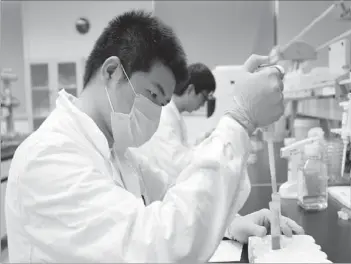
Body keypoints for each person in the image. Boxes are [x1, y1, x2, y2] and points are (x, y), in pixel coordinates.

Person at [5, 10, 302, 263]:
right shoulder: (49, 158)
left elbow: (174, 195)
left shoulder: (117, 153)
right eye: (152, 94)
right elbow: (157, 243)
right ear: (112, 71)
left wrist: (230, 223)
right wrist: (239, 120)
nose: (156, 115)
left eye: (162, 103)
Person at [136, 62, 300, 245]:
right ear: (191, 90)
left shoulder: (169, 120)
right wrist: (236, 125)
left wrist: (231, 224)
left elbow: (179, 206)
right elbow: (181, 169)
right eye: (204, 97)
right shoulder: (164, 118)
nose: (202, 105)